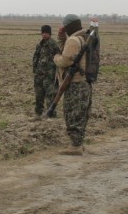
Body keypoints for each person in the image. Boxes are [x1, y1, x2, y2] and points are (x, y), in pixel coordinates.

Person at [53, 14, 93, 155]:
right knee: (82, 114)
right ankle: (79, 143)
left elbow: (66, 60)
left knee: (72, 113)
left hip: (75, 84)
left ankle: (75, 146)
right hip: (85, 83)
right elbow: (69, 50)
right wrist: (62, 37)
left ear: (68, 26)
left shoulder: (73, 40)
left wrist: (56, 58)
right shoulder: (85, 37)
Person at [32, 24, 61, 120]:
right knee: (39, 95)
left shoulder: (54, 45)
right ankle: (38, 113)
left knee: (50, 95)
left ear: (50, 33)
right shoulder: (39, 44)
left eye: (46, 33)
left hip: (50, 75)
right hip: (39, 74)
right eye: (43, 33)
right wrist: (35, 70)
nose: (44, 35)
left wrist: (56, 72)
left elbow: (59, 58)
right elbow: (36, 57)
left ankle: (51, 114)